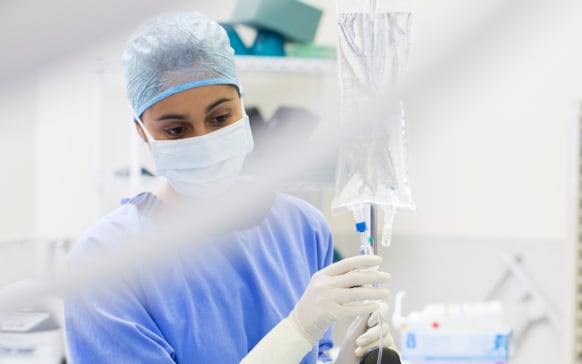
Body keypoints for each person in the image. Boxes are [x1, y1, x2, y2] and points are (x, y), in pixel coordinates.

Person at [64, 11, 394, 363]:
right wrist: (297, 329)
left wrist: (349, 356)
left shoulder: (302, 227)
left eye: (220, 118)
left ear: (241, 102)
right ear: (142, 132)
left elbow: (315, 355)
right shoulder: (104, 261)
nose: (205, 141)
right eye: (176, 130)